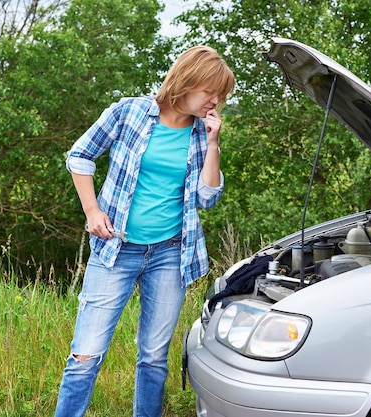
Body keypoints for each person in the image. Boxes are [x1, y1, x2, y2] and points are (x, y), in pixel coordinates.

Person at [54, 45, 235, 417]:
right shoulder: (129, 113)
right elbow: (79, 155)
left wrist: (214, 143)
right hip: (115, 250)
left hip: (171, 254)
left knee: (153, 357)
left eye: (221, 94)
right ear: (186, 82)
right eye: (210, 91)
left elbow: (208, 198)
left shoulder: (203, 133)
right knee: (85, 354)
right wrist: (92, 210)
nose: (215, 100)